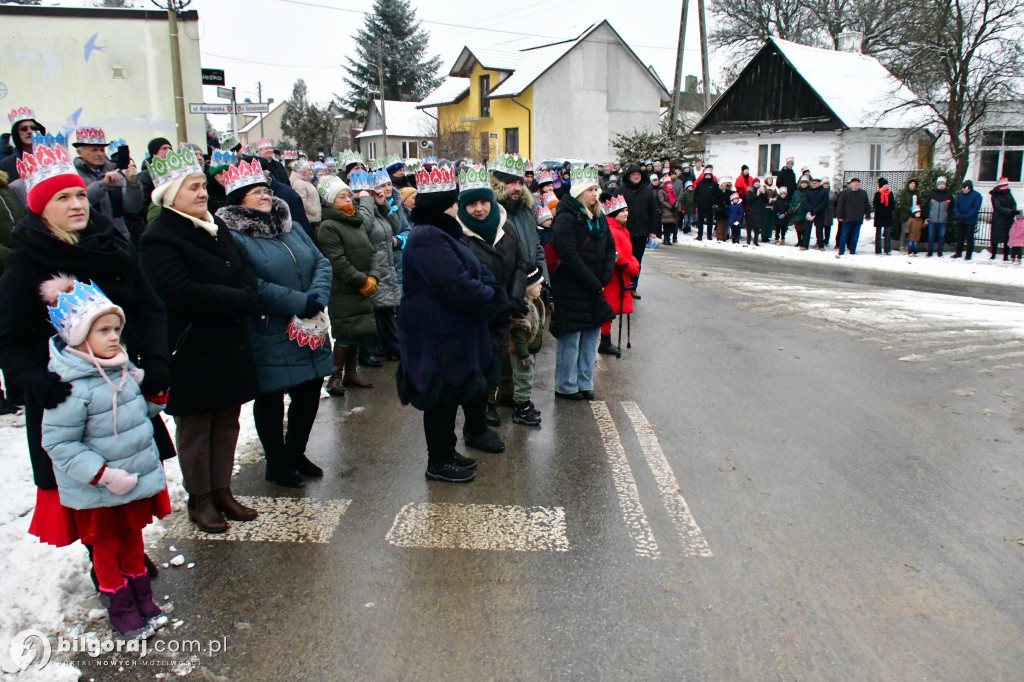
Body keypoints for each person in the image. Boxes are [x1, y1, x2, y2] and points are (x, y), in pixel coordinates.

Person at [0, 137, 174, 558]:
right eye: (63, 197)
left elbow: (149, 307)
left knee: (128, 474)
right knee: (88, 484)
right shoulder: (27, 265)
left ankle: (128, 553)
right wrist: (32, 379)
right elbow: (9, 336)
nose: (78, 203)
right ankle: (107, 566)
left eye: (80, 193)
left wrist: (155, 359)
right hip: (67, 397)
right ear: (41, 207)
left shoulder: (111, 247)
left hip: (120, 388)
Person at [40, 276, 171, 641]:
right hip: (100, 490)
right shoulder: (70, 387)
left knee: (134, 541)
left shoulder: (122, 370)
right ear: (79, 337)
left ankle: (142, 598)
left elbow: (132, 418)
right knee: (107, 547)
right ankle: (121, 608)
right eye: (103, 331)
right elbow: (59, 443)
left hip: (130, 481)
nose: (114, 337)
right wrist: (102, 475)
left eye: (116, 329)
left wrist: (154, 402)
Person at [139, 147, 259, 532]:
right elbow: (178, 292)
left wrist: (246, 290)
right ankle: (201, 499)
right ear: (171, 196)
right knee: (196, 429)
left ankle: (223, 491)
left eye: (203, 186)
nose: (202, 193)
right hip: (192, 347)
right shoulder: (159, 238)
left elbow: (244, 268)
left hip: (228, 342)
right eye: (192, 188)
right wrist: (240, 298)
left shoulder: (214, 225)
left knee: (227, 421)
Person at [216, 159, 334, 488]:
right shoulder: (234, 237)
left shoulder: (291, 226)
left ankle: (295, 452)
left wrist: (316, 296)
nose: (266, 196)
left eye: (266, 190)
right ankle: (276, 462)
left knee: (310, 389)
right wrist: (300, 301)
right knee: (270, 396)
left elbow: (321, 261)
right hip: (268, 328)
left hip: (309, 323)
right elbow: (253, 286)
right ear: (239, 199)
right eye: (256, 192)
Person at [396, 164, 510, 482]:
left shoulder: (442, 233)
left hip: (449, 330)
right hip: (435, 334)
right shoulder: (427, 237)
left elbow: (476, 270)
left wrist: (492, 290)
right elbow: (455, 283)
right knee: (440, 400)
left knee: (449, 395)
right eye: (455, 201)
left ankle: (447, 452)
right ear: (447, 204)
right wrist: (490, 298)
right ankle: (438, 462)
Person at [456, 165, 526, 428]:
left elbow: (520, 263)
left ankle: (490, 401)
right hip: (476, 312)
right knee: (476, 363)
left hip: (504, 307)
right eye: (472, 204)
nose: (479, 209)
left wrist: (515, 297)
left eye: (484, 201)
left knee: (496, 357)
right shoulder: (458, 235)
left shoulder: (505, 227)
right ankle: (480, 409)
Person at [550, 168, 615, 401]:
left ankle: (585, 382)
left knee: (590, 337)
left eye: (596, 189)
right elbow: (568, 254)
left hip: (595, 287)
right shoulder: (566, 217)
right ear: (578, 192)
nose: (594, 194)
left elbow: (610, 247)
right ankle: (566, 385)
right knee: (571, 337)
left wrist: (604, 277)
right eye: (590, 190)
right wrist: (592, 280)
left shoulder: (600, 217)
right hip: (572, 286)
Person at [315, 175, 378, 395]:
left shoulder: (355, 221)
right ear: (332, 201)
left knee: (357, 333)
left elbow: (371, 252)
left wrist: (374, 277)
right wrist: (362, 280)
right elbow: (337, 261)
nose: (349, 200)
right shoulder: (328, 227)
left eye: (349, 195)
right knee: (344, 334)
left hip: (363, 285)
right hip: (344, 289)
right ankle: (335, 377)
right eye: (342, 197)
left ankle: (351, 373)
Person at [357, 170, 402, 366]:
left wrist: (383, 204)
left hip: (386, 265)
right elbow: (364, 227)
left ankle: (391, 346)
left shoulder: (376, 209)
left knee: (385, 309)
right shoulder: (359, 209)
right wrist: (366, 201)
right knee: (373, 310)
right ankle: (368, 352)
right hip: (372, 266)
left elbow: (396, 225)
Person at [72, 127, 143, 245]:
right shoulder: (73, 175)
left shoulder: (116, 171)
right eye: (94, 150)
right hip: (89, 239)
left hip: (120, 239)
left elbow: (132, 208)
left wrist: (133, 184)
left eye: (102, 150)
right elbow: (79, 203)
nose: (100, 154)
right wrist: (102, 184)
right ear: (80, 152)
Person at [598, 193, 639, 356]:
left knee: (611, 309)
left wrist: (634, 263)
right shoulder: (613, 231)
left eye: (626, 210)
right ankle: (604, 341)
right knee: (608, 309)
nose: (626, 213)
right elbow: (618, 256)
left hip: (621, 276)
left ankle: (606, 340)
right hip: (614, 277)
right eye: (622, 211)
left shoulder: (622, 229)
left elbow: (629, 254)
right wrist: (633, 267)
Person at [507, 267, 547, 427]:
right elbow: (518, 336)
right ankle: (521, 409)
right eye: (538, 285)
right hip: (523, 354)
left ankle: (524, 402)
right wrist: (523, 356)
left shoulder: (535, 302)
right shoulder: (523, 309)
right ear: (528, 288)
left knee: (528, 379)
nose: (541, 287)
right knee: (523, 379)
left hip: (531, 351)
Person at [616, 163, 659, 297]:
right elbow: (612, 211)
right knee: (622, 259)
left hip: (641, 232)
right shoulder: (620, 191)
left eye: (638, 174)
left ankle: (633, 286)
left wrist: (653, 230)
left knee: (636, 260)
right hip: (623, 231)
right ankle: (620, 285)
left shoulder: (647, 192)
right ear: (628, 176)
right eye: (633, 174)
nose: (636, 176)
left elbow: (654, 212)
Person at [0, 107, 46, 180]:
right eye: (23, 129)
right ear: (16, 134)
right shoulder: (7, 164)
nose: (29, 131)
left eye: (33, 128)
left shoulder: (52, 156)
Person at [835, 178, 872, 257]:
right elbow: (840, 205)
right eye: (855, 182)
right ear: (851, 184)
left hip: (858, 218)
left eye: (858, 183)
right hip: (846, 218)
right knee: (844, 235)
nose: (856, 184)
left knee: (855, 236)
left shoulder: (863, 193)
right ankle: (841, 250)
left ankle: (852, 250)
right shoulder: (845, 193)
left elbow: (867, 205)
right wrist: (840, 216)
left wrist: (868, 214)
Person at [923, 176, 953, 257]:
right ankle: (930, 252)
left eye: (943, 184)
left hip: (943, 220)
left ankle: (940, 252)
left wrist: (947, 215)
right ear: (937, 185)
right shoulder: (932, 195)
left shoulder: (949, 195)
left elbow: (951, 207)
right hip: (932, 220)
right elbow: (926, 207)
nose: (941, 185)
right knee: (931, 236)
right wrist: (927, 217)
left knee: (941, 237)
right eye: (939, 184)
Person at [952, 180, 982, 259]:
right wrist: (958, 215)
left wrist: (965, 216)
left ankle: (968, 254)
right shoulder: (961, 195)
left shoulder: (977, 196)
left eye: (964, 188)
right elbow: (956, 205)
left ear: (969, 188)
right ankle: (958, 252)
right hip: (961, 220)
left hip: (970, 221)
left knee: (969, 238)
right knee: (960, 237)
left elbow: (975, 208)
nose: (963, 190)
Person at [989, 177, 1017, 261]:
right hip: (999, 219)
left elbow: (1013, 203)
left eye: (1007, 185)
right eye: (1004, 185)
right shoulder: (995, 195)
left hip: (1008, 219)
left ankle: (1006, 256)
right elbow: (998, 207)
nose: (1006, 187)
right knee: (996, 237)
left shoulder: (1008, 193)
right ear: (1000, 186)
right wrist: (1010, 211)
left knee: (1007, 238)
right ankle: (993, 254)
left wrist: (1014, 210)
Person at [288, 159, 321, 229]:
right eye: (308, 169)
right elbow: (302, 200)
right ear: (303, 170)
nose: (311, 171)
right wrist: (313, 211)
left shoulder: (307, 181)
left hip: (313, 218)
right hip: (309, 218)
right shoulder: (299, 183)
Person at [801, 178, 830, 251]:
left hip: (819, 213)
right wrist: (811, 210)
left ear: (819, 184)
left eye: (815, 183)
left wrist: (816, 210)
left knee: (819, 230)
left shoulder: (824, 192)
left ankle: (820, 245)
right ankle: (805, 245)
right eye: (813, 183)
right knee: (807, 230)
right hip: (809, 213)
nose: (814, 184)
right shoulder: (808, 192)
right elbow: (805, 201)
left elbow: (825, 203)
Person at [693, 167, 720, 241]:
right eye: (706, 175)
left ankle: (709, 236)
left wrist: (715, 202)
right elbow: (696, 194)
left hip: (710, 206)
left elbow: (717, 195)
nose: (708, 176)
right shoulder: (700, 183)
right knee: (700, 221)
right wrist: (697, 202)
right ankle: (699, 235)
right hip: (701, 205)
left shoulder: (714, 184)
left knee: (710, 222)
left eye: (709, 175)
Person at [873, 178, 896, 255]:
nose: (887, 186)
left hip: (888, 216)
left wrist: (888, 211)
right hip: (879, 216)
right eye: (885, 185)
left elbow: (892, 204)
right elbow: (875, 204)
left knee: (887, 233)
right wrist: (881, 211)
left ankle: (887, 249)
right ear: (882, 186)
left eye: (887, 185)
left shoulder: (890, 193)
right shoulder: (878, 194)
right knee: (878, 233)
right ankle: (878, 249)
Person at [789, 178, 809, 250]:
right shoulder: (796, 192)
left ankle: (804, 241)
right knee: (798, 228)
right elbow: (793, 201)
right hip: (797, 211)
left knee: (804, 228)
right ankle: (799, 241)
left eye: (805, 183)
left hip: (805, 212)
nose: (804, 184)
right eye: (802, 183)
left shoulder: (809, 192)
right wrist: (791, 209)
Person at [658, 172, 678, 244]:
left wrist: (675, 206)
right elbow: (662, 201)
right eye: (668, 184)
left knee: (670, 226)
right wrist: (670, 207)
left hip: (672, 211)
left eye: (670, 184)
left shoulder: (673, 191)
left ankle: (668, 239)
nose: (670, 185)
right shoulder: (662, 191)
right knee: (666, 226)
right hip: (666, 210)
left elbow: (675, 199)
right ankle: (665, 239)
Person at [745, 177, 763, 246]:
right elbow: (749, 200)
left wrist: (763, 194)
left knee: (757, 227)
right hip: (751, 211)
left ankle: (756, 241)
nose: (757, 183)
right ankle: (748, 240)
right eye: (756, 182)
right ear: (753, 183)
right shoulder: (750, 191)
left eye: (758, 182)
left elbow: (765, 201)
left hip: (759, 211)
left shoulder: (761, 191)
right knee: (749, 227)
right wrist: (756, 195)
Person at [715, 177, 734, 242]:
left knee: (726, 224)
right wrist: (722, 205)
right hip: (719, 209)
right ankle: (719, 237)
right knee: (720, 224)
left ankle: (724, 237)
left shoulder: (729, 192)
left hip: (727, 210)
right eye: (723, 184)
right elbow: (716, 200)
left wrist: (727, 205)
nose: (724, 185)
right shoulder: (717, 191)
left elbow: (730, 200)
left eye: (725, 184)